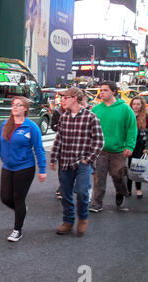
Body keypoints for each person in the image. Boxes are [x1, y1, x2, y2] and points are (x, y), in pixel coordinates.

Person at [0, 96, 47, 242]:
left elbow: (39, 149)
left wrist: (42, 169)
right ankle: (21, 210)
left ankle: (17, 230)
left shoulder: (31, 127)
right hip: (8, 166)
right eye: (13, 105)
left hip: (25, 167)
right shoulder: (5, 124)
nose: (14, 107)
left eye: (19, 105)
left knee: (18, 197)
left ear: (25, 109)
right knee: (5, 198)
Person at [50, 87, 104, 236]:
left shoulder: (91, 117)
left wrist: (88, 160)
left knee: (81, 192)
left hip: (82, 163)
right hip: (65, 161)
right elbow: (59, 139)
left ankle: (83, 218)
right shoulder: (63, 117)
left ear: (74, 98)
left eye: (65, 97)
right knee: (66, 193)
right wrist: (53, 157)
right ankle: (68, 221)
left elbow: (99, 142)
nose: (62, 100)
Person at [89, 81, 137, 212]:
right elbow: (89, 130)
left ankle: (120, 192)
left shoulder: (125, 109)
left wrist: (130, 146)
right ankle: (97, 203)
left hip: (119, 151)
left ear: (114, 92)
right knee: (99, 178)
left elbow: (132, 129)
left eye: (105, 90)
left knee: (118, 176)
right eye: (101, 90)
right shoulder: (96, 110)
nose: (101, 92)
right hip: (100, 151)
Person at [127, 96, 148, 199]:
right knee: (129, 167)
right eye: (134, 104)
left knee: (138, 167)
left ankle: (138, 189)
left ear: (142, 105)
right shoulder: (128, 114)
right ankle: (128, 189)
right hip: (130, 144)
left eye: (138, 104)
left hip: (141, 145)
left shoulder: (146, 116)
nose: (136, 106)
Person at [50, 101, 66, 199]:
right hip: (62, 143)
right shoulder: (57, 112)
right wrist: (60, 126)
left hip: (76, 145)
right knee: (62, 167)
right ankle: (62, 186)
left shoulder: (76, 111)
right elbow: (53, 126)